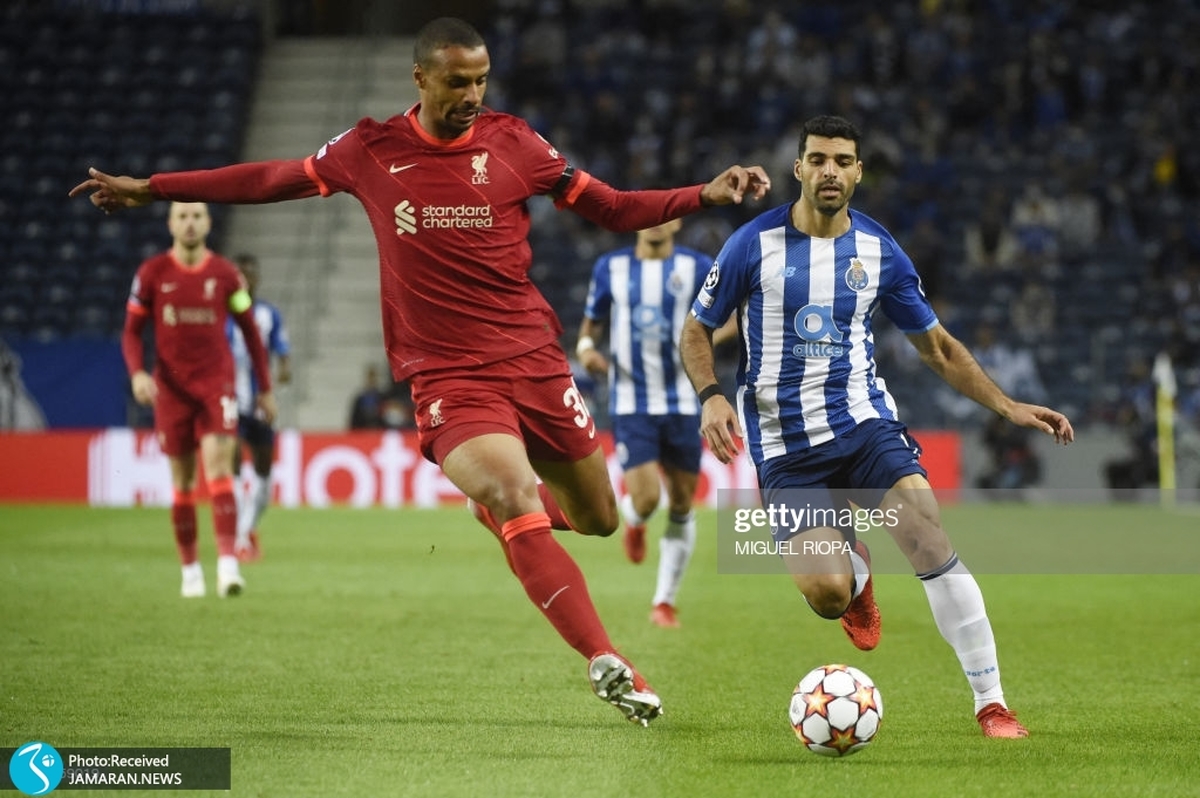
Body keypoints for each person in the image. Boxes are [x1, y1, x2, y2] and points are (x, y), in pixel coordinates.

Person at [71, 17, 770, 726]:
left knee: (598, 517)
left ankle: (504, 515)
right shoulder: (370, 149)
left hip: (534, 360)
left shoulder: (515, 143)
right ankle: (606, 658)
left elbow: (612, 207)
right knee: (511, 491)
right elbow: (271, 178)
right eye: (458, 81)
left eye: (481, 80)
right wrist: (154, 188)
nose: (472, 95)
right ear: (421, 78)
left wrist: (702, 195)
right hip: (447, 376)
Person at [679, 115, 1073, 739]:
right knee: (827, 593)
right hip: (786, 447)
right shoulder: (752, 245)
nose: (829, 171)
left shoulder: (878, 249)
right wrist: (710, 397)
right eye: (818, 159)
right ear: (798, 168)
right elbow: (696, 329)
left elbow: (937, 348)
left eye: (842, 160)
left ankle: (992, 703)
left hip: (864, 422)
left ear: (859, 172)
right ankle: (856, 575)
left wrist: (1007, 406)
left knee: (925, 531)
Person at [576, 219, 735, 628]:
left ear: (678, 221)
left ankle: (664, 602)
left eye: (664, 215)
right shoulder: (611, 268)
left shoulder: (698, 266)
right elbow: (591, 323)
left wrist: (699, 343)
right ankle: (635, 520)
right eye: (647, 215)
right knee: (646, 499)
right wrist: (586, 348)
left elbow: (733, 317)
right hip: (632, 401)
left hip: (685, 400)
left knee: (682, 503)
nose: (655, 224)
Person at [121, 202, 276, 598]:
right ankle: (191, 572)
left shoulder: (225, 275)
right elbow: (132, 332)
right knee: (183, 483)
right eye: (182, 216)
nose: (189, 223)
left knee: (219, 469)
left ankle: (228, 567)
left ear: (208, 223)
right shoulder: (152, 274)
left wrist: (264, 389)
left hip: (216, 387)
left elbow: (250, 332)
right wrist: (137, 373)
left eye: (196, 216)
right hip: (171, 391)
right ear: (170, 223)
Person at [227, 253, 292, 562]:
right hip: (229, 402)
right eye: (239, 274)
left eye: (249, 274)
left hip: (261, 404)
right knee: (233, 467)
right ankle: (240, 539)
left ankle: (248, 528)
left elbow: (282, 349)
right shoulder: (220, 313)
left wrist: (284, 370)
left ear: (257, 279)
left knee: (264, 478)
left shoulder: (268, 314)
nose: (244, 279)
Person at [348, 363, 387, 430]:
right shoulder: (360, 399)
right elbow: (354, 419)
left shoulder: (383, 398)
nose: (372, 380)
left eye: (374, 377)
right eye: (370, 377)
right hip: (363, 431)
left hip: (378, 431)